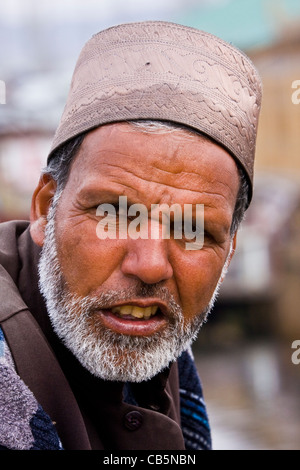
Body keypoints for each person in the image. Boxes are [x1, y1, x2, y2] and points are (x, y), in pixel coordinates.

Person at [0, 21, 262, 451]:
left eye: (193, 229)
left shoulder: (169, 356)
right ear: (47, 209)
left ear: (230, 250)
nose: (151, 265)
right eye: (114, 215)